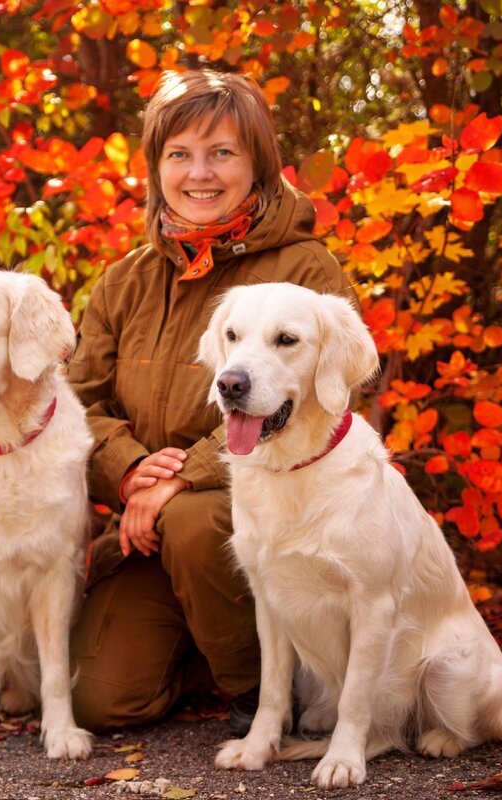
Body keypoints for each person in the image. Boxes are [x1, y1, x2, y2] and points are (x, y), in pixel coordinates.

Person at [66, 69, 356, 734]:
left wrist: (178, 481)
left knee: (196, 521)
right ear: (156, 166)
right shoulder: (124, 282)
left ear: (257, 162)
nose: (200, 173)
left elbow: (326, 407)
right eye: (179, 154)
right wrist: (130, 471)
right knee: (102, 701)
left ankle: (266, 692)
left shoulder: (306, 270)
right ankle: (210, 639)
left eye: (222, 152)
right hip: (151, 530)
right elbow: (76, 403)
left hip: (271, 517)